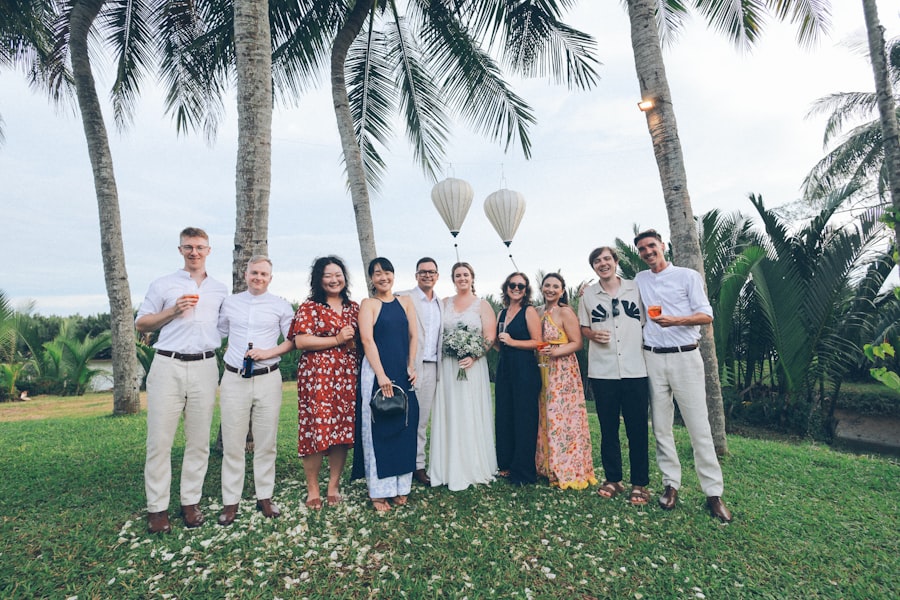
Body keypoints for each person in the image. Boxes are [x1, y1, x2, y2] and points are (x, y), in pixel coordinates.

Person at [633, 229, 733, 523]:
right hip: (651, 357)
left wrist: (673, 320)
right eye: (642, 249)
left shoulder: (688, 276)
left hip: (686, 355)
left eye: (652, 246)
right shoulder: (640, 280)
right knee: (661, 427)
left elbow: (706, 315)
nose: (648, 252)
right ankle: (670, 485)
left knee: (699, 426)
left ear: (663, 246)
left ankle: (713, 494)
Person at [135, 227, 228, 534]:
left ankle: (190, 503)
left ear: (209, 250)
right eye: (188, 247)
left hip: (204, 366)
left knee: (199, 441)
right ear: (180, 250)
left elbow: (226, 327)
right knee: (159, 441)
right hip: (167, 365)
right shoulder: (163, 284)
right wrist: (173, 310)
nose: (194, 252)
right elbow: (142, 322)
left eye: (200, 247)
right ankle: (157, 509)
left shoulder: (219, 289)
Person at [216, 256, 295, 526]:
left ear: (270, 278)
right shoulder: (230, 303)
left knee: (266, 442)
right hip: (234, 379)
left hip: (268, 378)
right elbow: (219, 334)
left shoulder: (281, 306)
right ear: (245, 274)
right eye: (254, 273)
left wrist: (266, 352)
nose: (258, 277)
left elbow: (291, 342)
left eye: (263, 274)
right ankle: (231, 502)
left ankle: (265, 497)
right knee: (233, 443)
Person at [578, 247, 650, 505]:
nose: (603, 264)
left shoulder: (636, 288)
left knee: (637, 428)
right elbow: (583, 327)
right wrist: (591, 335)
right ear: (593, 267)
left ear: (616, 262)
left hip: (635, 369)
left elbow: (648, 320)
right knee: (608, 428)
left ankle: (640, 483)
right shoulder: (587, 295)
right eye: (597, 261)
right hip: (603, 371)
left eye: (607, 259)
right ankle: (613, 479)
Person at [288, 256, 359, 510]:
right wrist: (338, 339)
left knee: (341, 431)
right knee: (315, 430)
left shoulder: (354, 307)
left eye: (338, 274)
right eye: (328, 275)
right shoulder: (310, 307)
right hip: (317, 378)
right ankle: (313, 488)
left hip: (347, 377)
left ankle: (333, 485)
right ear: (319, 279)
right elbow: (301, 341)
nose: (334, 280)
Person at [351, 257, 419, 512]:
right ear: (371, 278)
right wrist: (381, 375)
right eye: (377, 273)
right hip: (377, 372)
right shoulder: (368, 304)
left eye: (387, 272)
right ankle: (379, 492)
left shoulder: (406, 302)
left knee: (404, 426)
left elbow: (413, 335)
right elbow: (367, 341)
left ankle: (401, 488)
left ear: (394, 274)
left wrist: (411, 365)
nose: (383, 277)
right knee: (380, 427)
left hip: (403, 371)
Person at [428, 262, 498, 491]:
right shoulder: (445, 302)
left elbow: (489, 337)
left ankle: (472, 464)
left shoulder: (482, 305)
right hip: (448, 366)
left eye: (466, 274)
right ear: (453, 278)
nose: (462, 278)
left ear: (472, 277)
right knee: (450, 411)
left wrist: (474, 356)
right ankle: (447, 466)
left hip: (472, 366)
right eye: (458, 275)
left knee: (469, 410)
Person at [535, 273, 597, 490]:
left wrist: (555, 351)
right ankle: (545, 466)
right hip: (541, 367)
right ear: (542, 288)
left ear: (562, 291)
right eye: (547, 285)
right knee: (544, 414)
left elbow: (577, 343)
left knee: (561, 416)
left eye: (555, 286)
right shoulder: (538, 311)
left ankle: (566, 467)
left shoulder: (565, 312)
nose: (551, 289)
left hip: (562, 370)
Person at [396, 257, 443, 486]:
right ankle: (399, 462)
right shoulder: (403, 297)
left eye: (431, 272)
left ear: (437, 276)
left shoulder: (441, 304)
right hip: (409, 365)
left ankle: (418, 465)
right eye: (423, 272)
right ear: (416, 275)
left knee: (422, 419)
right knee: (402, 416)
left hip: (433, 366)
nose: (427, 275)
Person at [495, 272, 542, 486]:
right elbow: (497, 342)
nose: (516, 288)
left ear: (526, 290)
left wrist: (513, 342)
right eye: (512, 285)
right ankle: (505, 465)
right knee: (505, 415)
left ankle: (523, 471)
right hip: (505, 368)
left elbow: (538, 343)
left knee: (524, 418)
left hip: (525, 368)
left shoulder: (529, 311)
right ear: (506, 287)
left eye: (521, 286)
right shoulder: (501, 313)